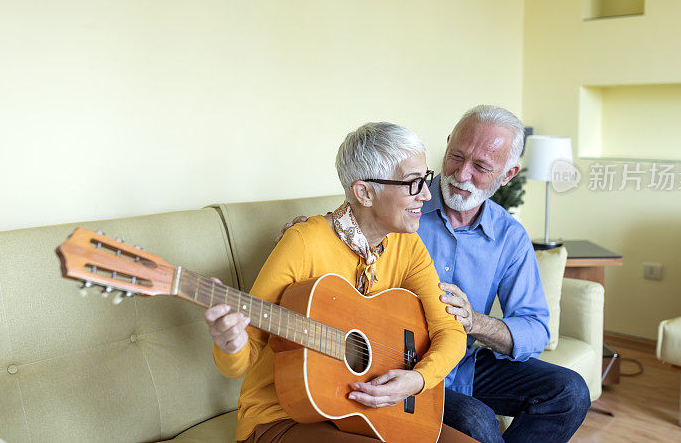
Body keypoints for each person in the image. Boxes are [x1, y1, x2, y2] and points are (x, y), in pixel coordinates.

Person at [282, 106, 591, 442]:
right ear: (447, 145)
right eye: (456, 156)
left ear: (508, 174)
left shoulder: (509, 236)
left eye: (481, 167)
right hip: (390, 357)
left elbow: (536, 330)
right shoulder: (402, 209)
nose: (461, 174)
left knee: (570, 392)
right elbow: (355, 221)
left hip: (464, 360)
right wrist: (316, 238)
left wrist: (475, 322)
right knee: (477, 421)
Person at [204, 122, 473, 442]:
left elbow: (450, 331)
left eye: (425, 179)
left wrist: (417, 380)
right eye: (413, 183)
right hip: (285, 415)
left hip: (369, 412)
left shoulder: (408, 246)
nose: (427, 195)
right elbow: (244, 356)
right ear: (365, 192)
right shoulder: (303, 242)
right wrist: (230, 344)